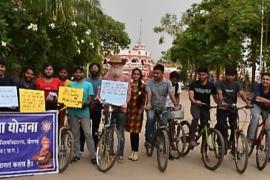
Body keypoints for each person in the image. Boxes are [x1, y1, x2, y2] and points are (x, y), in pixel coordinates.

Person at [102, 55, 131, 163]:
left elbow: (128, 93)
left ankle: (120, 154)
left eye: (117, 65)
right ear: (110, 66)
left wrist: (125, 102)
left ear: (121, 66)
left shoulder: (125, 78)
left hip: (121, 109)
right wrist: (101, 98)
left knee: (120, 131)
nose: (115, 66)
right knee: (108, 130)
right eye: (113, 64)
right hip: (108, 108)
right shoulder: (106, 77)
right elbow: (103, 90)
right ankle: (109, 153)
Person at [144, 64, 180, 147]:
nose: (155, 75)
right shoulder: (149, 82)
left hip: (163, 107)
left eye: (158, 73)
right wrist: (148, 103)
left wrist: (176, 104)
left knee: (165, 123)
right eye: (154, 73)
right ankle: (148, 139)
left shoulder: (168, 83)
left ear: (163, 73)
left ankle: (164, 140)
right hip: (152, 107)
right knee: (150, 118)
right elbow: (149, 93)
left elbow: (171, 94)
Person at [215, 67, 251, 150]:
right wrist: (221, 101)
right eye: (228, 75)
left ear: (234, 76)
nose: (230, 77)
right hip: (222, 107)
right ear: (225, 75)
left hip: (232, 107)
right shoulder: (219, 83)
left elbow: (241, 94)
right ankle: (221, 142)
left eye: (232, 76)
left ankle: (232, 142)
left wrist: (247, 102)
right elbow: (219, 93)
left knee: (234, 126)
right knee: (221, 124)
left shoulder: (237, 84)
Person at [68, 66, 96, 164]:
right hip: (73, 112)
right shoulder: (70, 85)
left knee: (88, 133)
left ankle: (93, 155)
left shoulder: (88, 85)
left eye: (80, 72)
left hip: (84, 112)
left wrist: (86, 104)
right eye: (76, 72)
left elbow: (90, 98)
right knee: (75, 134)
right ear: (74, 74)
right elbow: (67, 98)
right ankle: (77, 154)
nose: (78, 74)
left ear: (83, 74)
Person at [188, 67, 218, 148]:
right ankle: (191, 139)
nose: (201, 76)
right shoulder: (194, 84)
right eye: (200, 75)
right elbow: (191, 96)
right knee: (196, 117)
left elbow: (216, 99)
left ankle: (204, 151)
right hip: (195, 106)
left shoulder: (211, 86)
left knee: (206, 127)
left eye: (203, 75)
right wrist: (195, 101)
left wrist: (221, 104)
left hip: (205, 107)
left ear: (207, 75)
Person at [126, 68, 146, 161]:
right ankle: (132, 152)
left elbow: (143, 100)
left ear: (140, 75)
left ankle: (136, 152)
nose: (136, 76)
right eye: (134, 74)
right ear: (132, 75)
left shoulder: (142, 86)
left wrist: (140, 110)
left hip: (138, 111)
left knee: (136, 132)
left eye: (138, 74)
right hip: (129, 110)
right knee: (131, 131)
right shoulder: (129, 85)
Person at [81, 63, 102, 151]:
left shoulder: (102, 81)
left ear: (98, 70)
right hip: (86, 108)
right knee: (84, 130)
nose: (94, 69)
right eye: (92, 68)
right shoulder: (84, 81)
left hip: (97, 108)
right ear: (89, 70)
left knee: (95, 130)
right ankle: (80, 149)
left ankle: (95, 150)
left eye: (96, 68)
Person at [247, 72, 270, 142]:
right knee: (256, 117)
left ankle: (267, 145)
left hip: (267, 109)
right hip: (256, 106)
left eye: (267, 79)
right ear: (261, 80)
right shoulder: (257, 86)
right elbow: (257, 97)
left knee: (268, 126)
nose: (265, 81)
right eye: (263, 79)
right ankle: (250, 138)